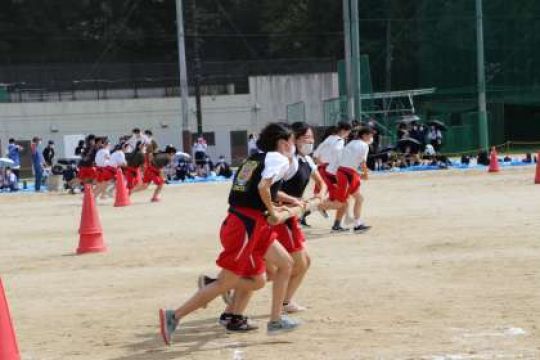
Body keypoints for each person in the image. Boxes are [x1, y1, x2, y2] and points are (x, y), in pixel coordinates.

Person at [158, 123, 304, 344]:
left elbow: (256, 190)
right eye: (293, 142)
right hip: (246, 226)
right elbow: (263, 188)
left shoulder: (254, 158)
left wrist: (275, 206)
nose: (294, 146)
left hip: (249, 222)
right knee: (226, 282)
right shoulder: (279, 159)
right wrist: (273, 210)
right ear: (283, 143)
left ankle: (275, 320)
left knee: (276, 269)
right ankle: (175, 315)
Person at [312, 121, 352, 232]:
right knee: (343, 201)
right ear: (344, 131)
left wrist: (322, 164)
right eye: (348, 132)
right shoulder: (340, 141)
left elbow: (315, 155)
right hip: (331, 172)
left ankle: (307, 213)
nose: (348, 135)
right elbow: (338, 157)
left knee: (328, 197)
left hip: (321, 170)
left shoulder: (329, 138)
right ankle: (311, 209)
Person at [334, 127, 373, 233]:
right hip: (347, 174)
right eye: (370, 135)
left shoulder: (352, 143)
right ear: (364, 135)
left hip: (345, 172)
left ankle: (356, 224)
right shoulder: (364, 145)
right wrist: (365, 174)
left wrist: (360, 173)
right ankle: (311, 207)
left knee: (357, 199)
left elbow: (349, 160)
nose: (372, 137)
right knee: (339, 202)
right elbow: (363, 163)